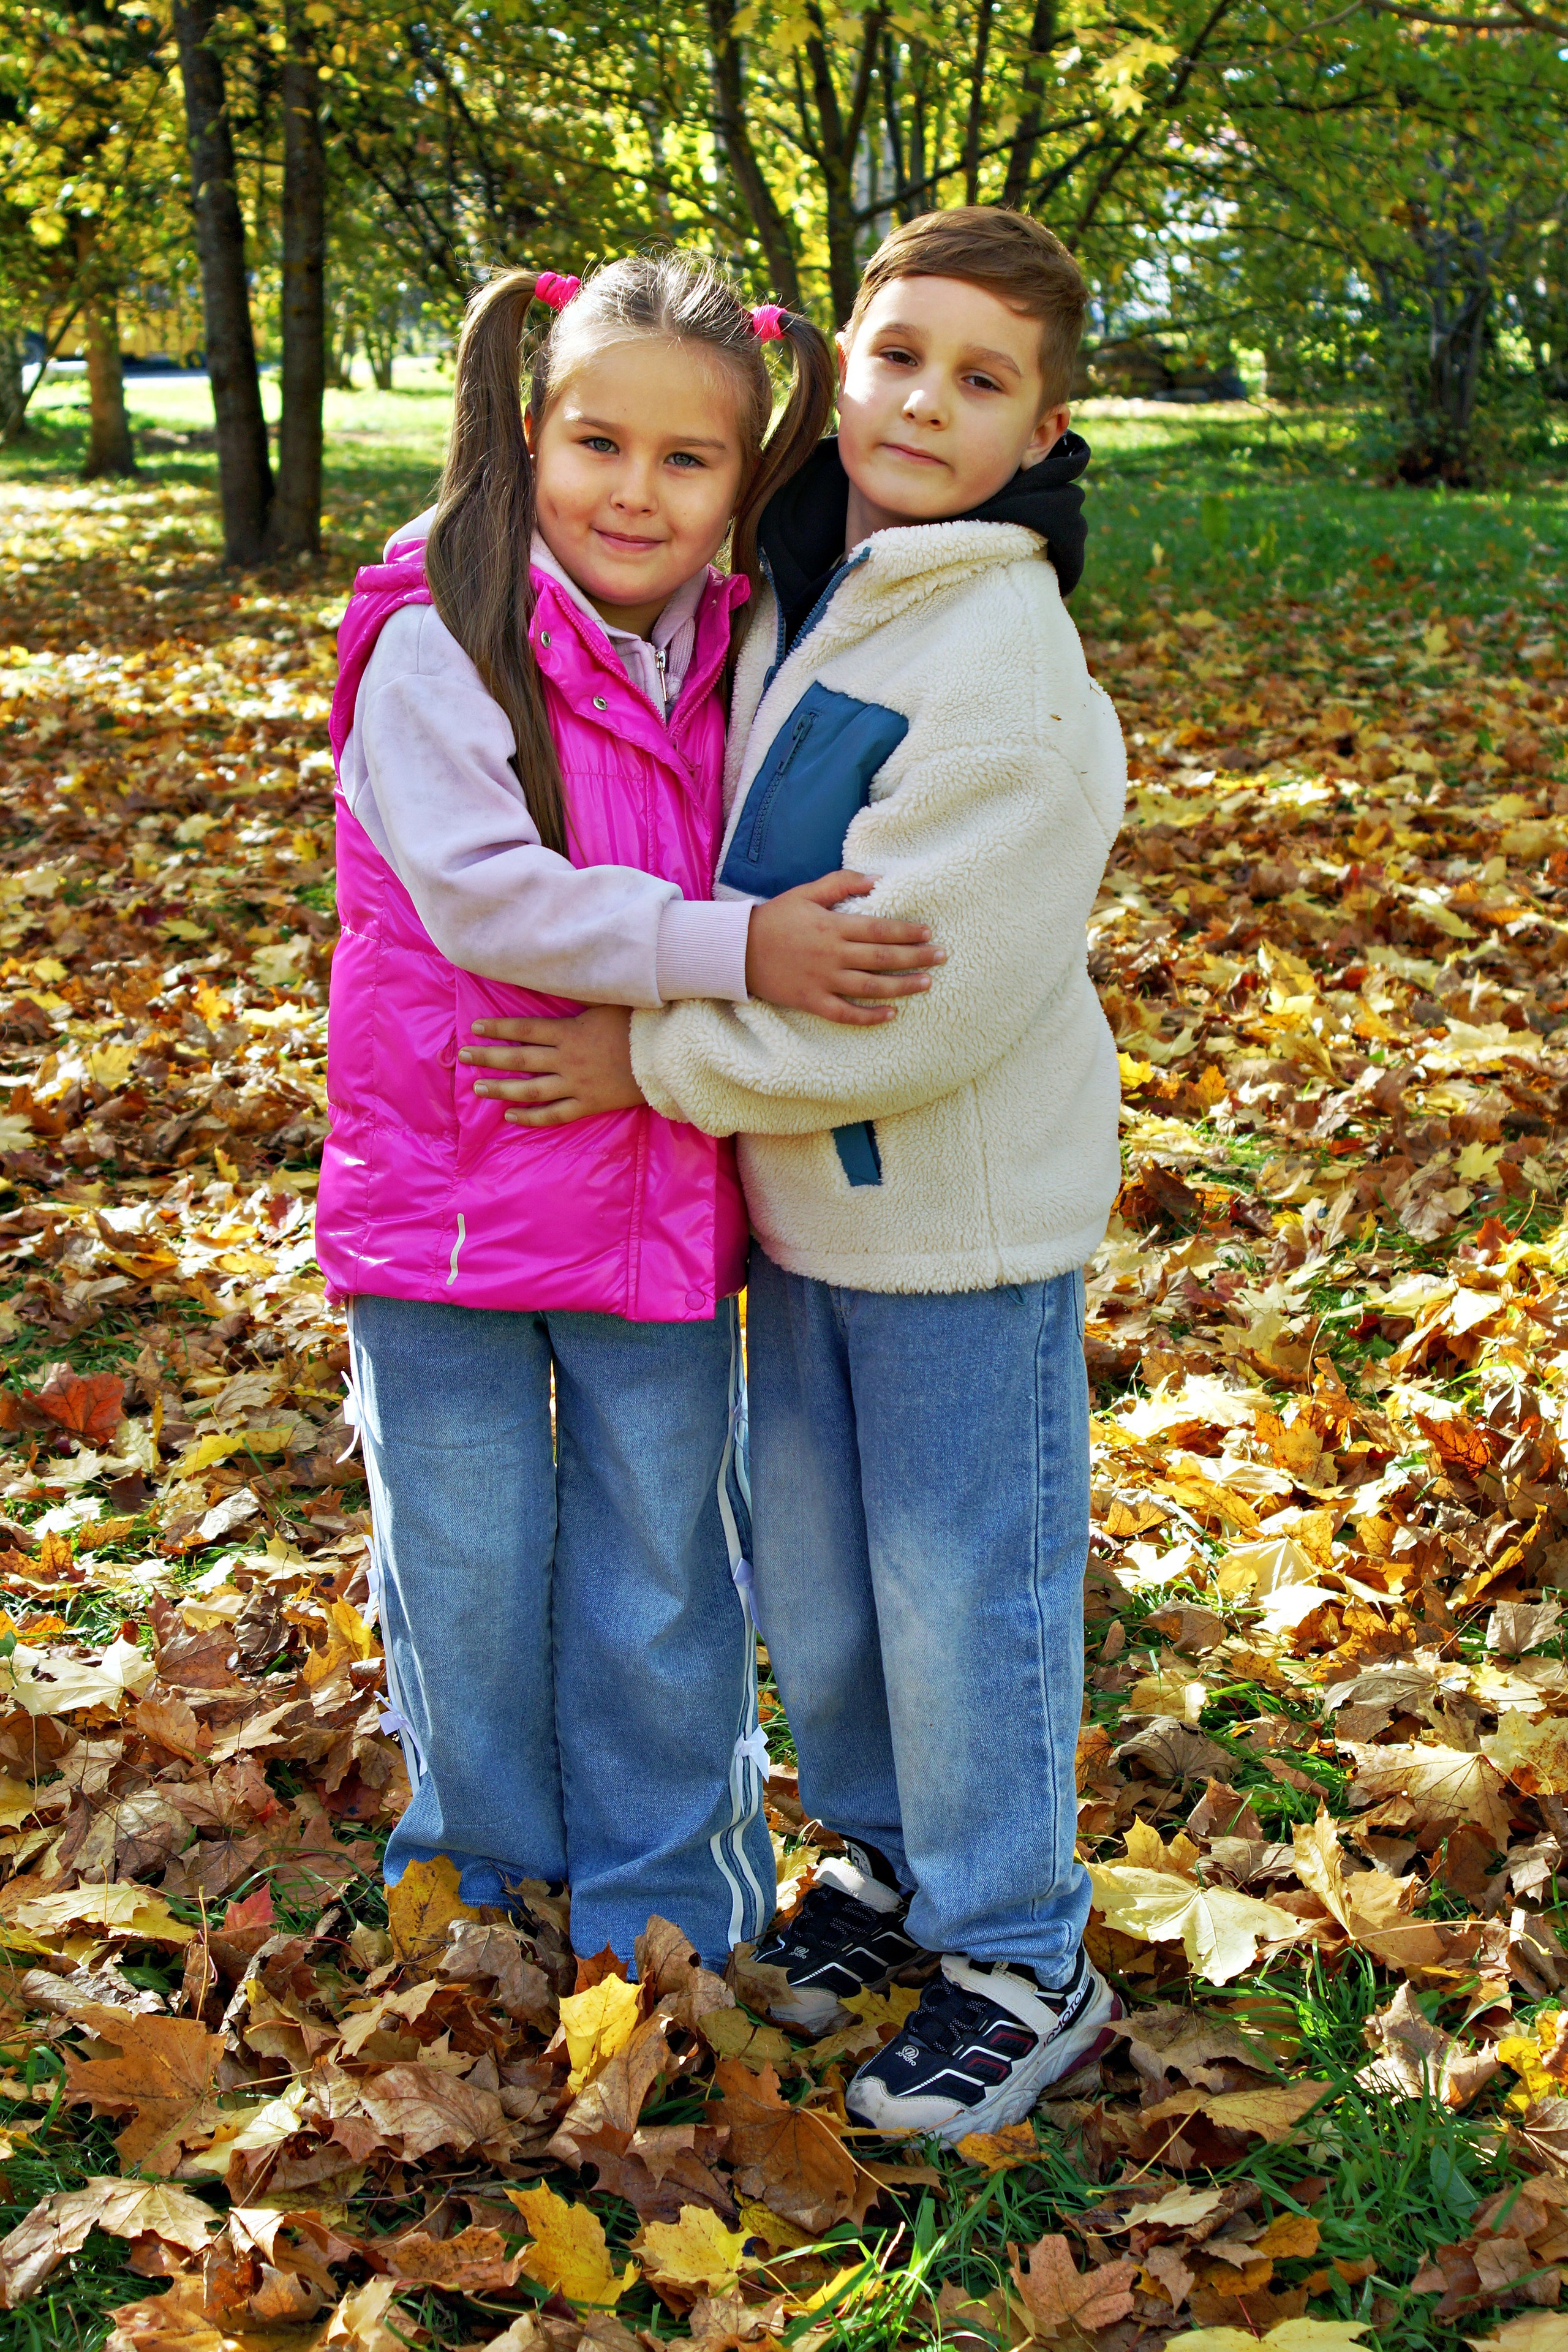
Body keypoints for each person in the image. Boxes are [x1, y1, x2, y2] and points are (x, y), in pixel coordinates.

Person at [464, 208, 1128, 2133]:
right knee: (827, 1587)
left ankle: (1023, 1948)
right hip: (809, 1207)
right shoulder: (812, 584)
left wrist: (644, 1056)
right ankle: (895, 1866)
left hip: (957, 1223)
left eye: (980, 379)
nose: (924, 399)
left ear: (1041, 428)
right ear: (837, 365)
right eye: (898, 354)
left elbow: (918, 1003)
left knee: (960, 1585)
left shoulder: (1007, 664)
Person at [320, 253, 943, 1970]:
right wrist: (739, 949)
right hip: (444, 1201)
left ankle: (673, 1905)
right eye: (599, 443)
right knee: (461, 1566)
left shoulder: (738, 646)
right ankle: (480, 1878)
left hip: (656, 1194)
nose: (635, 492)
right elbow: (490, 902)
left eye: (689, 460)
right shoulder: (435, 639)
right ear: (530, 434)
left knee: (664, 1570)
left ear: (745, 480)